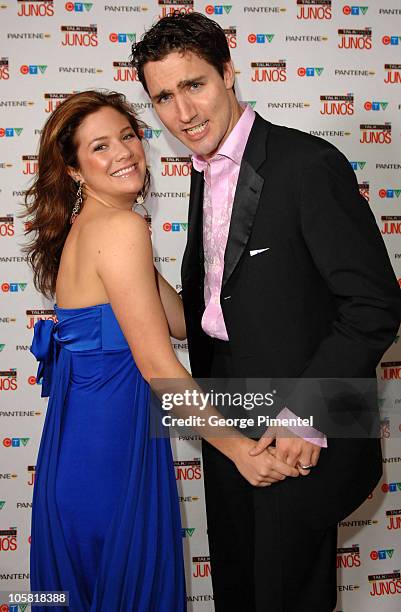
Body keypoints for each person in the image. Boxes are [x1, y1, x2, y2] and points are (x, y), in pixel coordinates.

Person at [131, 13, 401, 612]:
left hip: (299, 429)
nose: (183, 112)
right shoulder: (203, 173)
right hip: (230, 419)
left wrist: (308, 413)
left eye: (194, 85)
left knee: (285, 597)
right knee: (240, 589)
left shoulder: (307, 164)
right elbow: (221, 309)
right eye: (164, 98)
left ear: (229, 74)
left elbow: (375, 305)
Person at [25, 90, 299, 612]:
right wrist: (240, 451)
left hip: (81, 448)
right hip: (110, 455)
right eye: (99, 147)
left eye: (128, 136)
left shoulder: (96, 228)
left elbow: (178, 321)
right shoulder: (120, 228)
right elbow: (157, 364)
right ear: (75, 169)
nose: (124, 153)